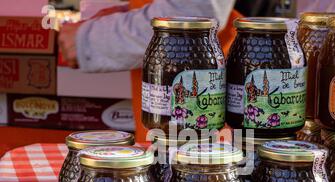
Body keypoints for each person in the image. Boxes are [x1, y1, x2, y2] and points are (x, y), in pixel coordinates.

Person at [59, 0, 239, 142]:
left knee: (194, 175)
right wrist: (129, 11)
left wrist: (88, 39)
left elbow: (194, 12)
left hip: (213, 130)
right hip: (164, 126)